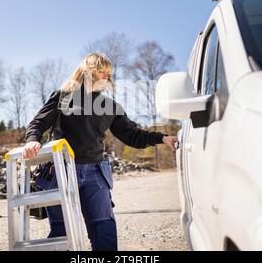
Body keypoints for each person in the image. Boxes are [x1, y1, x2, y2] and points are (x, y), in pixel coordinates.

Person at [23, 53, 178, 251]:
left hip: (95, 173)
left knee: (103, 227)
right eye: (100, 71)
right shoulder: (63, 96)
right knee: (63, 232)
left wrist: (162, 138)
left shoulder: (109, 106)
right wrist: (32, 140)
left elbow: (132, 135)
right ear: (87, 72)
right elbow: (38, 122)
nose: (105, 76)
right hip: (61, 171)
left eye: (108, 73)